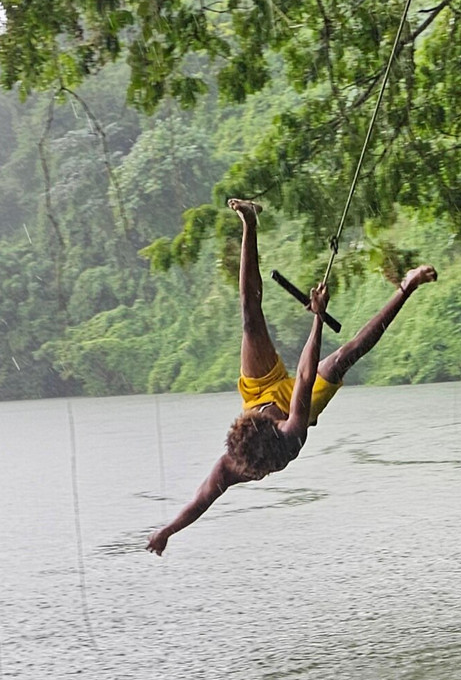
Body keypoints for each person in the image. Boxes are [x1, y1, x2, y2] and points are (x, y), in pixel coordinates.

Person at [146, 198, 437, 555]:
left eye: (255, 417)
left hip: (260, 390)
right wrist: (318, 317)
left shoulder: (233, 453)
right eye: (263, 417)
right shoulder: (290, 435)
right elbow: (303, 375)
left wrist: (168, 531)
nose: (262, 415)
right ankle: (407, 286)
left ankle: (250, 222)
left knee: (250, 318)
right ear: (276, 426)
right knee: (347, 355)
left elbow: (199, 501)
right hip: (298, 400)